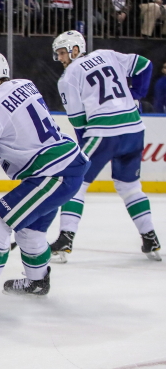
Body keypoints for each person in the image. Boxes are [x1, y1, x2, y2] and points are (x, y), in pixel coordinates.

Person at [0, 52, 90, 312]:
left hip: (52, 173)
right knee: (30, 231)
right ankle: (37, 282)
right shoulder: (25, 84)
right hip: (68, 165)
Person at [50, 30, 161, 262]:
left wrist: (81, 155)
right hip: (134, 129)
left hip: (104, 132)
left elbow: (79, 120)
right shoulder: (107, 54)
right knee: (129, 187)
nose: (60, 58)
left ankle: (65, 239)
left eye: (63, 53)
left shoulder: (69, 76)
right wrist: (136, 95)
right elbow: (144, 64)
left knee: (75, 182)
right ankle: (150, 238)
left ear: (76, 49)